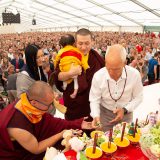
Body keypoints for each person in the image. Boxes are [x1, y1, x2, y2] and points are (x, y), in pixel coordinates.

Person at [0, 81, 93, 160]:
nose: (51, 107)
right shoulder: (17, 126)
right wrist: (61, 134)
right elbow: (36, 149)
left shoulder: (29, 104)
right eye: (49, 104)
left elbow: (52, 122)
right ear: (34, 102)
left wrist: (77, 124)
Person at [89, 44, 143, 131]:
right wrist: (96, 116)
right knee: (104, 141)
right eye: (108, 68)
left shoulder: (134, 74)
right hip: (105, 115)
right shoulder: (98, 75)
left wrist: (125, 110)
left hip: (126, 115)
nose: (111, 73)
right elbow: (94, 99)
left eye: (116, 69)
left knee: (125, 140)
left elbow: (138, 97)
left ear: (125, 63)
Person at [54, 28, 105, 120]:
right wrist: (69, 73)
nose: (84, 47)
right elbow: (57, 76)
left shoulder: (96, 57)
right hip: (74, 107)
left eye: (87, 43)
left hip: (93, 108)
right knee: (73, 133)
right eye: (80, 43)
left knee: (93, 133)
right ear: (75, 43)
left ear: (92, 42)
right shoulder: (66, 55)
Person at [55, 34, 89, 98]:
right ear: (74, 43)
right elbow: (83, 61)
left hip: (65, 69)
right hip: (76, 70)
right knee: (76, 80)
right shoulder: (77, 51)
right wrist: (86, 67)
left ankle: (64, 86)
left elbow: (56, 60)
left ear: (62, 45)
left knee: (65, 80)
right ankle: (75, 91)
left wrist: (55, 64)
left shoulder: (61, 51)